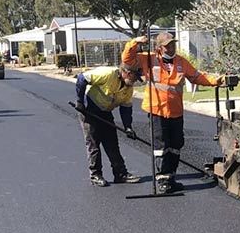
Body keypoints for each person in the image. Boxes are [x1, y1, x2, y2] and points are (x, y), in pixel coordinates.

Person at [122, 32, 223, 194]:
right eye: (167, 45)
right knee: (161, 146)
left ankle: (171, 177)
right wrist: (135, 42)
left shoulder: (181, 62)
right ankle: (162, 180)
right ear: (159, 47)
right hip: (157, 110)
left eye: (172, 44)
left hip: (176, 111)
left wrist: (217, 81)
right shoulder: (148, 59)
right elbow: (127, 59)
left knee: (176, 145)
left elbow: (197, 77)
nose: (171, 48)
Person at [74, 52, 142, 187]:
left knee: (112, 144)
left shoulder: (128, 88)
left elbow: (126, 109)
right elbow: (82, 78)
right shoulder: (107, 73)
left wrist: (128, 127)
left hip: (105, 113)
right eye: (135, 77)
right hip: (89, 111)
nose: (135, 80)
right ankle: (95, 175)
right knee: (94, 145)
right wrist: (80, 102)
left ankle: (120, 174)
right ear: (127, 73)